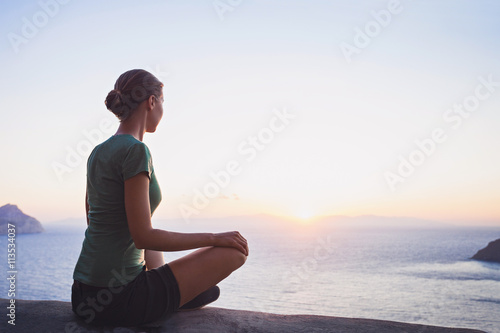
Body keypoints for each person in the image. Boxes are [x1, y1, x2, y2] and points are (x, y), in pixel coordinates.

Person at [71, 69, 249, 327]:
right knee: (233, 252)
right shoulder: (136, 151)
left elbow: (94, 220)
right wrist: (214, 238)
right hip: (118, 300)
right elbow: (142, 237)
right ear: (151, 101)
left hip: (82, 294)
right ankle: (173, 296)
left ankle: (172, 291)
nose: (162, 108)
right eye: (162, 101)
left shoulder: (98, 152)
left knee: (149, 239)